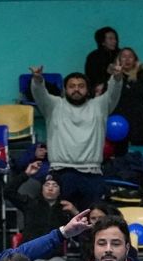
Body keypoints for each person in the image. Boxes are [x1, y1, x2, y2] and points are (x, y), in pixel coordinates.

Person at [30, 63, 122, 209]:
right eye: (72, 86)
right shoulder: (53, 106)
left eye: (81, 86)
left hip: (92, 173)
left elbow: (113, 92)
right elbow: (40, 94)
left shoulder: (99, 106)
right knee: (61, 219)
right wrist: (37, 79)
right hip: (61, 172)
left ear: (88, 89)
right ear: (65, 90)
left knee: (93, 218)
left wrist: (116, 78)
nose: (76, 89)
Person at [5, 171, 75, 245]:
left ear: (59, 191)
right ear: (41, 189)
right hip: (31, 249)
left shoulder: (65, 209)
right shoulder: (30, 204)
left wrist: (74, 211)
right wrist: (26, 174)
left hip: (54, 250)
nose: (50, 188)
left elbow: (80, 232)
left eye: (55, 185)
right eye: (47, 185)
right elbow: (8, 192)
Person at [112, 47, 143, 151]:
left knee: (139, 153)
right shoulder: (114, 76)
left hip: (138, 122)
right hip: (119, 122)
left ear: (135, 60)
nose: (127, 59)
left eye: (130, 56)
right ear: (118, 60)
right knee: (119, 153)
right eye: (124, 56)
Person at [84, 26, 120, 96]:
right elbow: (91, 79)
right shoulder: (93, 57)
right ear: (102, 42)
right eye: (110, 39)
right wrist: (107, 73)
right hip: (100, 93)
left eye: (115, 38)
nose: (114, 41)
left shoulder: (121, 54)